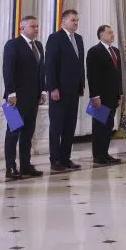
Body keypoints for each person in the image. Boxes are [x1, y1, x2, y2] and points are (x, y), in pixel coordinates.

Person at [2, 15, 46, 179]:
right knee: (13, 132)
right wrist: (11, 93)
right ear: (22, 28)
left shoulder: (39, 46)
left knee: (28, 133)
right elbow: (8, 70)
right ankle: (10, 167)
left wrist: (43, 90)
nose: (36, 29)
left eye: (37, 26)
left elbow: (42, 70)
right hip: (16, 98)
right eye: (33, 26)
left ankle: (26, 166)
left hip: (33, 97)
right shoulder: (13, 44)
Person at [44, 9, 86, 172]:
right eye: (73, 20)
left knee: (70, 125)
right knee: (57, 126)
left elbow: (79, 64)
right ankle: (55, 160)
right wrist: (52, 87)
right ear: (63, 21)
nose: (76, 23)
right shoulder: (55, 38)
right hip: (59, 90)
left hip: (74, 90)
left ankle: (65, 157)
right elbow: (50, 65)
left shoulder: (79, 39)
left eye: (77, 20)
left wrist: (81, 84)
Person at [87, 24, 122, 165]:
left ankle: (105, 153)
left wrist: (119, 94)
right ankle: (98, 156)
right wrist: (94, 96)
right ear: (101, 35)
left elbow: (118, 74)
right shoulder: (94, 51)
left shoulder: (115, 51)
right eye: (109, 32)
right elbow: (92, 76)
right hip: (100, 97)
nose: (112, 34)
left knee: (108, 126)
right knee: (99, 126)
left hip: (113, 95)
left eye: (112, 32)